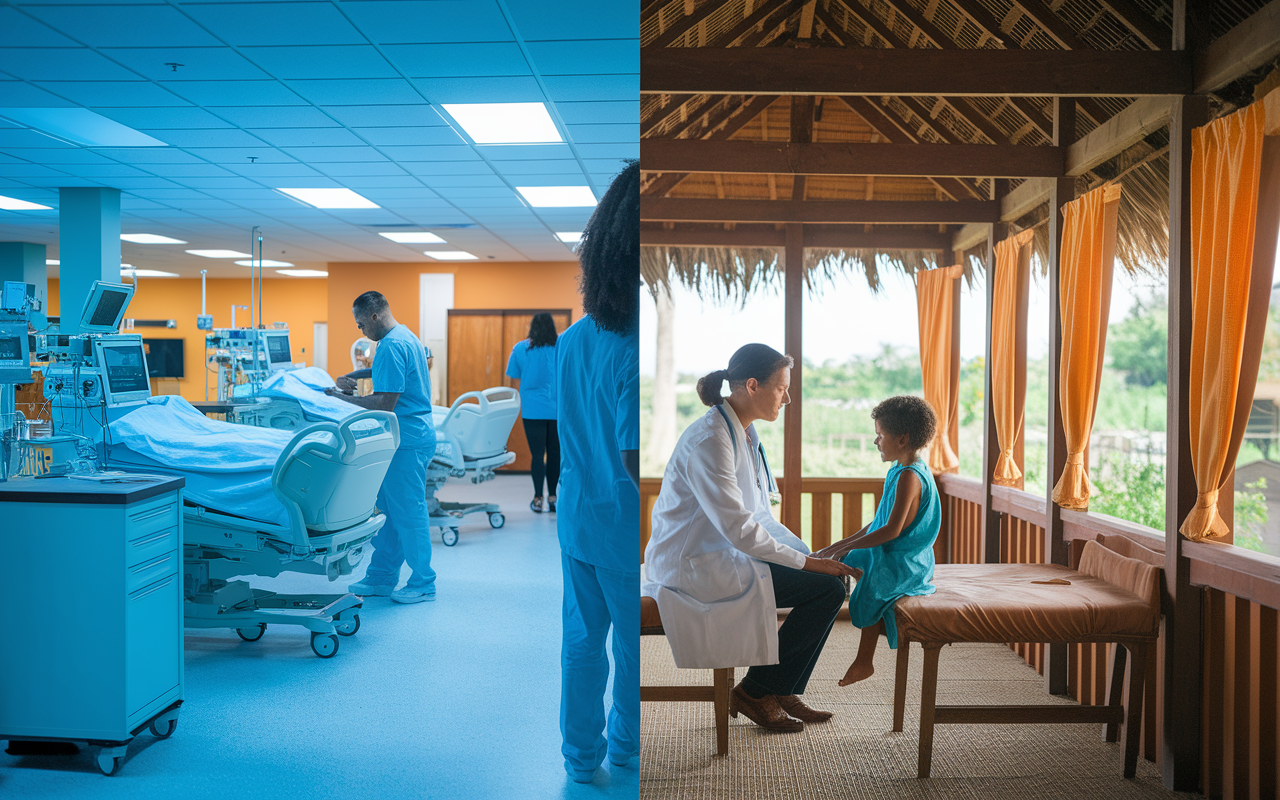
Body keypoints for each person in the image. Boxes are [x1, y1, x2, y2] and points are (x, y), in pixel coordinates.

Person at [643, 343, 858, 734]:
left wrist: (807, 553)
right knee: (825, 590)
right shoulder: (711, 441)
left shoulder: (742, 433)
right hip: (693, 564)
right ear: (754, 386)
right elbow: (739, 529)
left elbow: (759, 514)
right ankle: (759, 691)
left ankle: (779, 688)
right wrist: (810, 564)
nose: (788, 398)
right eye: (782, 388)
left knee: (828, 581)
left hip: (725, 554)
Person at [555, 161, 640, 783]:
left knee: (583, 643)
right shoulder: (636, 347)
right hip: (621, 527)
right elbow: (636, 459)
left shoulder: (575, 338)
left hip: (578, 515)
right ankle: (626, 752)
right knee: (632, 651)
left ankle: (579, 759)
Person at [813, 395, 941, 685]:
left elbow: (892, 531)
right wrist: (838, 546)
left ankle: (864, 660)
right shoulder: (898, 470)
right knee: (848, 558)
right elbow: (878, 522)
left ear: (902, 439)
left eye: (880, 435)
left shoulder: (910, 476)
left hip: (905, 560)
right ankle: (860, 644)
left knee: (870, 581)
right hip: (894, 552)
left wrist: (845, 547)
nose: (875, 442)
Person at [325, 291, 438, 604]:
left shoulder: (390, 345)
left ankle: (423, 582)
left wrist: (338, 397)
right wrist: (353, 375)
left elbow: (384, 403)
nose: (361, 331)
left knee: (409, 512)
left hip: (407, 441)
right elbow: (387, 375)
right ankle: (382, 576)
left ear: (374, 316)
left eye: (361, 324)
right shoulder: (405, 336)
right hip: (409, 437)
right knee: (390, 510)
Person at [506, 313, 559, 514]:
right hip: (557, 409)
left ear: (532, 327)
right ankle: (553, 498)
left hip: (532, 410)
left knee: (537, 455)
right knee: (555, 453)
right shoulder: (561, 347)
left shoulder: (520, 349)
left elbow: (513, 378)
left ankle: (537, 499)